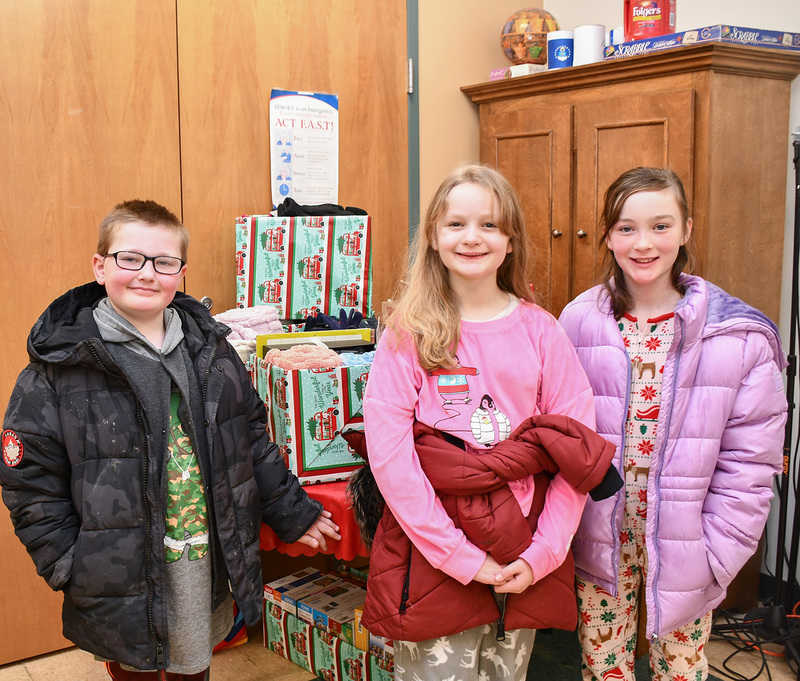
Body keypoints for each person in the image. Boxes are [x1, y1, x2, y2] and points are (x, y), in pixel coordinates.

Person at [0, 200, 340, 680]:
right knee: (134, 667)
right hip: (119, 571)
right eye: (129, 258)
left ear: (180, 273)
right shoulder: (58, 368)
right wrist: (69, 565)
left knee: (194, 661)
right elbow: (29, 479)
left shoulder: (212, 350)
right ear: (100, 266)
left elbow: (249, 438)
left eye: (163, 262)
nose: (146, 273)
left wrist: (291, 509)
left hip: (203, 558)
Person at [352, 164, 618, 681]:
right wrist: (457, 556)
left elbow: (574, 453)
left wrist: (543, 553)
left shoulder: (542, 332)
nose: (472, 237)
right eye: (456, 224)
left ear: (510, 240)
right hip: (432, 550)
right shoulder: (408, 333)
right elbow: (391, 459)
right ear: (433, 237)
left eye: (489, 224)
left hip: (523, 545)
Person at [558, 167, 788, 681]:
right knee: (602, 668)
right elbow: (560, 432)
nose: (643, 243)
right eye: (626, 228)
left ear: (686, 229)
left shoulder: (739, 337)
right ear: (607, 236)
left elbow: (750, 463)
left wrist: (717, 552)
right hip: (598, 540)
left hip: (690, 547)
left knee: (682, 671)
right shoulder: (576, 321)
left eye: (660, 226)